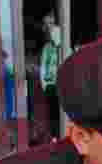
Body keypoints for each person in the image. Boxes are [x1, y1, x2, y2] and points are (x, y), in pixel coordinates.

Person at [39, 12, 62, 141]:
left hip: (63, 85)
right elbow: (43, 67)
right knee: (52, 113)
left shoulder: (65, 46)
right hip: (51, 85)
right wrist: (45, 85)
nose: (53, 34)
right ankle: (55, 137)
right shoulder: (47, 48)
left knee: (62, 114)